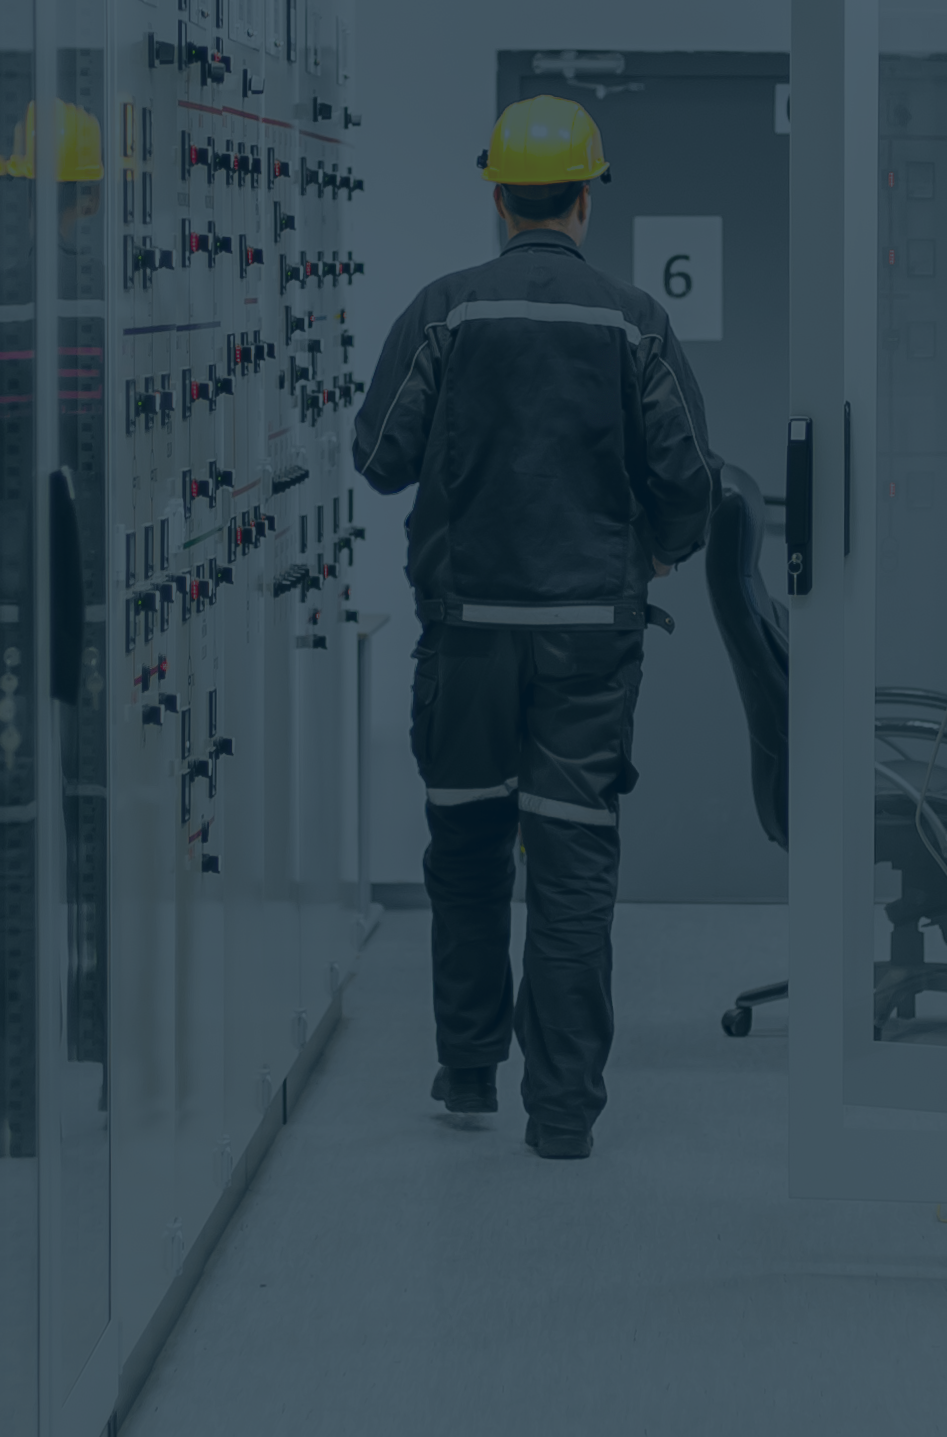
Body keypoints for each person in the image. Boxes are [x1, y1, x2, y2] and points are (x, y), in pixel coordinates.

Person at [352, 95, 720, 1160]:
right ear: (586, 201)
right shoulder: (632, 320)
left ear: (498, 197)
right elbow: (690, 482)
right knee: (571, 865)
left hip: (465, 640)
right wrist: (651, 552)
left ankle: (468, 1072)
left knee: (464, 850)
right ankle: (561, 1116)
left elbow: (378, 459)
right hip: (587, 645)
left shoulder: (443, 311)